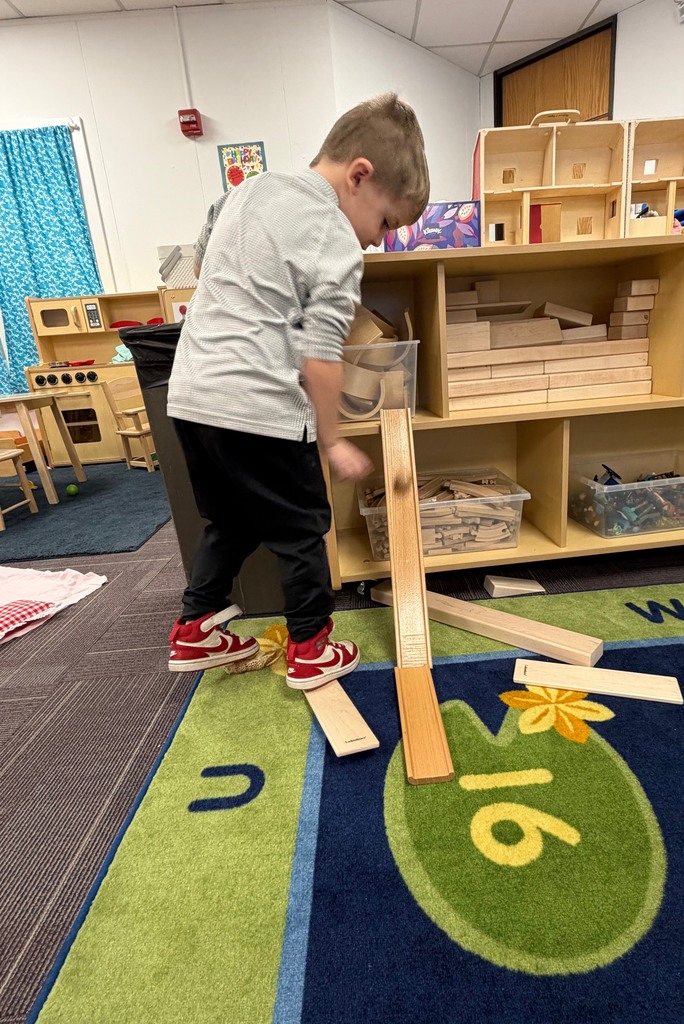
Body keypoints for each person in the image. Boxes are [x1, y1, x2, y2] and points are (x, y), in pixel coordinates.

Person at [165, 93, 429, 689]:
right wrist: (331, 438)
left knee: (230, 522)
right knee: (303, 526)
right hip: (261, 405)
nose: (376, 240)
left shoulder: (247, 191)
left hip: (192, 396)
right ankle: (311, 647)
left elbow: (205, 264)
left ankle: (194, 628)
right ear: (359, 175)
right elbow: (322, 350)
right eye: (385, 222)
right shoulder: (332, 234)